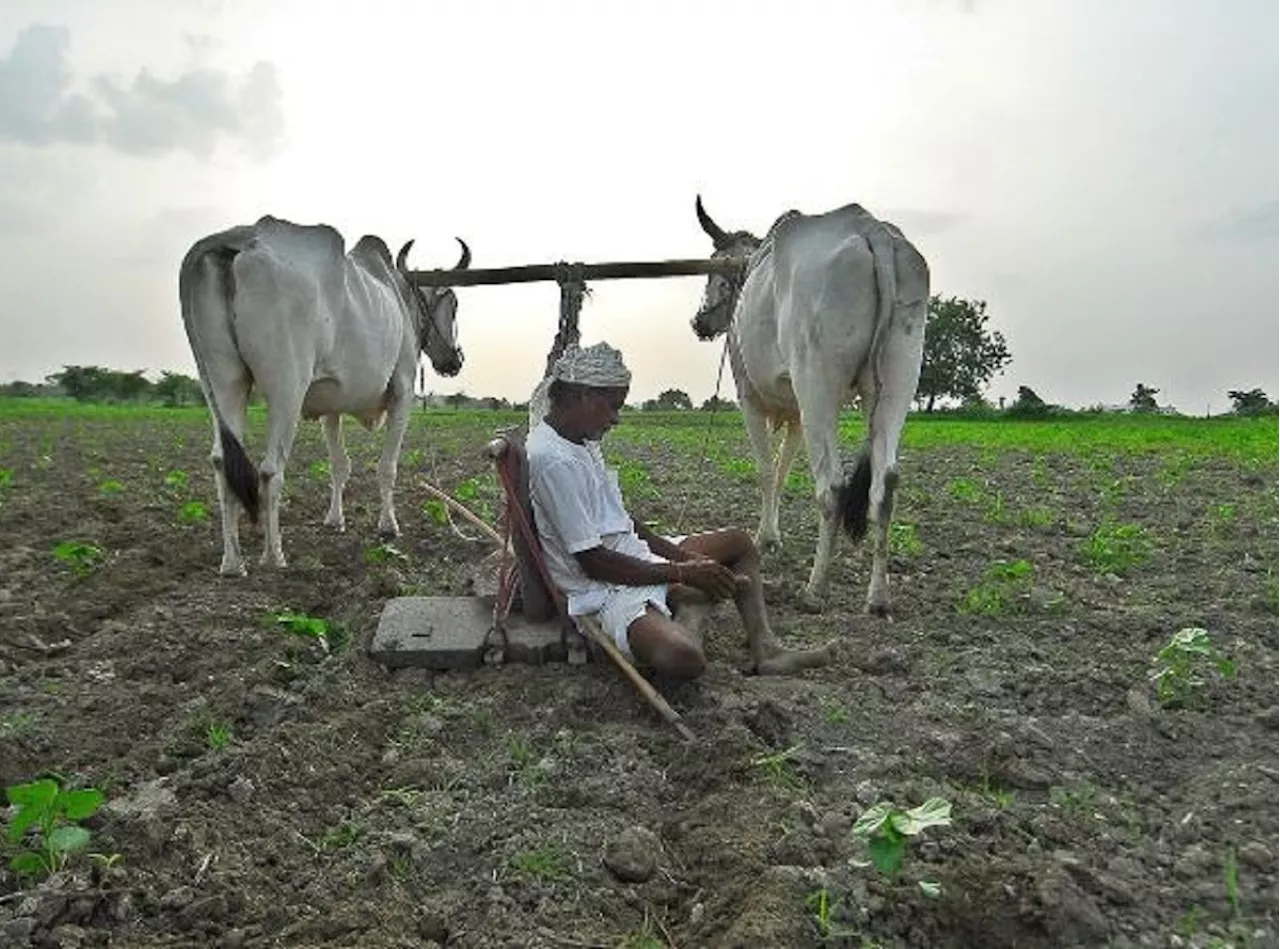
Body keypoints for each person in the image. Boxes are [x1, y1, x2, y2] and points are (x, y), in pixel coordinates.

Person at [525, 341, 834, 678]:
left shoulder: (580, 440)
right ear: (584, 395)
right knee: (683, 658)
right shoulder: (553, 460)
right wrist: (681, 573)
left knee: (740, 543)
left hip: (632, 557)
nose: (616, 419)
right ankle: (687, 599)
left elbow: (623, 524)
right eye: (612, 407)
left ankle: (766, 649)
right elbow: (593, 562)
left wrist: (682, 559)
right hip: (602, 587)